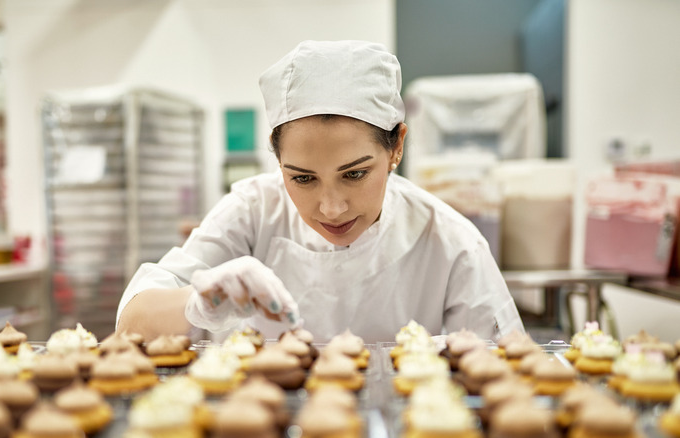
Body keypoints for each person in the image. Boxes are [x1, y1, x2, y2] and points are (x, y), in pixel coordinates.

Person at [116, 40, 524, 343]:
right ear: (278, 161)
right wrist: (195, 302)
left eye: (355, 174)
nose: (331, 208)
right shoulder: (253, 212)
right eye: (303, 178)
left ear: (397, 145)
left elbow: (502, 366)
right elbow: (131, 324)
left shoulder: (453, 245)